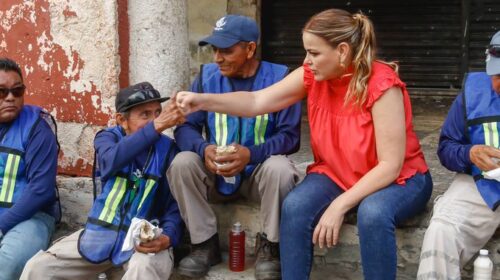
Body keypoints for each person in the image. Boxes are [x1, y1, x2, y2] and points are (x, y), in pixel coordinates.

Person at [176, 9, 433, 280]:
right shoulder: (312, 75)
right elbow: (256, 102)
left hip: (399, 180)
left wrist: (339, 206)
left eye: (314, 53)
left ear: (343, 51)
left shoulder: (382, 85)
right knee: (296, 206)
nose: (307, 61)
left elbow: (390, 166)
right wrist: (202, 100)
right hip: (338, 172)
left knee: (373, 213)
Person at [168, 14, 301, 279]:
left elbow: (291, 137)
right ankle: (203, 244)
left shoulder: (280, 78)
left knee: (281, 168)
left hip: (256, 174)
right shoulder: (206, 78)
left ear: (250, 48)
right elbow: (185, 127)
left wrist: (251, 154)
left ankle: (270, 246)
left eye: (226, 51)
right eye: (215, 50)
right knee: (182, 162)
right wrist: (204, 148)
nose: (217, 58)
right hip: (215, 171)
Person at [21, 82, 184, 280]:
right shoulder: (107, 139)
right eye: (145, 114)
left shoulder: (169, 151)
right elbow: (109, 161)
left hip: (144, 241)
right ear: (121, 120)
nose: (155, 120)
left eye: (158, 113)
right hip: (102, 235)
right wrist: (156, 127)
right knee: (38, 268)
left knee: (141, 270)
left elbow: (174, 208)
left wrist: (167, 238)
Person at [417, 31, 500, 279]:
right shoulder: (474, 93)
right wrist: (469, 153)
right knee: (442, 229)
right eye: (496, 75)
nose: (499, 83)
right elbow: (447, 148)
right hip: (483, 182)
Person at [0, 58, 60, 280]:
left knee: (7, 265)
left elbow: (41, 190)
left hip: (30, 217)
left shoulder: (37, 129)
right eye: (2, 92)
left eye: (17, 91)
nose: (10, 98)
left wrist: (2, 226)